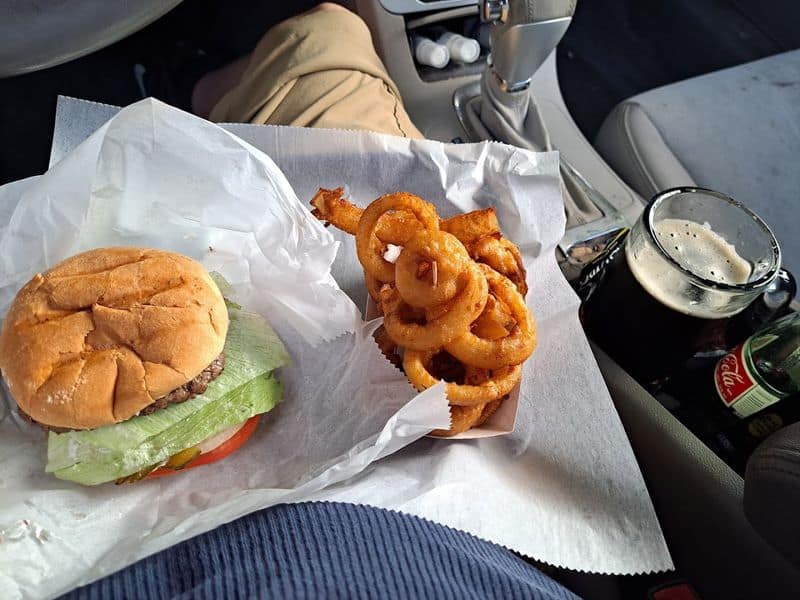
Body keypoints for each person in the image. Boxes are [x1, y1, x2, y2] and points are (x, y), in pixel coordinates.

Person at [67, 6, 580, 599]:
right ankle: (203, 84)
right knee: (332, 33)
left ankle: (193, 86)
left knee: (324, 36)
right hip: (477, 550)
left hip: (300, 537)